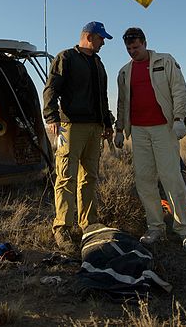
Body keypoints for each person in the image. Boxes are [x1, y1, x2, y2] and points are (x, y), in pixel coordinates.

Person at [114, 27, 186, 250]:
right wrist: (119, 129)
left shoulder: (165, 61)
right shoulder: (124, 72)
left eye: (136, 47)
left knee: (171, 178)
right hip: (139, 131)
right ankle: (155, 226)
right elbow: (122, 103)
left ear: (144, 43)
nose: (132, 52)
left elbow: (178, 89)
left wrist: (179, 118)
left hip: (164, 128)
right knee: (144, 180)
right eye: (129, 49)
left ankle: (184, 230)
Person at [42, 22, 114, 252]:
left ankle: (89, 223)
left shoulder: (98, 63)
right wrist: (51, 117)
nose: (103, 42)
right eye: (101, 38)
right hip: (69, 127)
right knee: (65, 176)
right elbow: (51, 89)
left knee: (89, 176)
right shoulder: (66, 57)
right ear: (89, 36)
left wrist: (107, 122)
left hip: (94, 127)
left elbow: (101, 96)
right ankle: (62, 226)